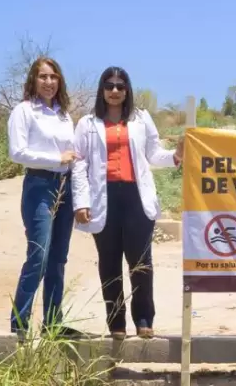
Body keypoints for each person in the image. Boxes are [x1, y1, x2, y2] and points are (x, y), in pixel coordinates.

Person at [70, 66, 184, 340]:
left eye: (121, 86)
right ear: (102, 90)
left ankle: (144, 319)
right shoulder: (87, 123)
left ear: (127, 90)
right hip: (103, 198)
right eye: (109, 85)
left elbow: (154, 154)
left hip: (136, 197)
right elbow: (79, 164)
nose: (115, 91)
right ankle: (116, 323)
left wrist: (177, 155)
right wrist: (81, 202)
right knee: (109, 263)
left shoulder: (141, 119)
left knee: (141, 261)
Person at [6, 56, 81, 340]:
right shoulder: (24, 111)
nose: (48, 82)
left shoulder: (64, 115)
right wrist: (55, 158)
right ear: (33, 81)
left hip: (66, 185)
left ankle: (53, 324)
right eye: (43, 77)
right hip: (39, 185)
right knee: (38, 255)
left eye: (53, 77)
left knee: (58, 259)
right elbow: (17, 152)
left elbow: (73, 152)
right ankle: (19, 325)